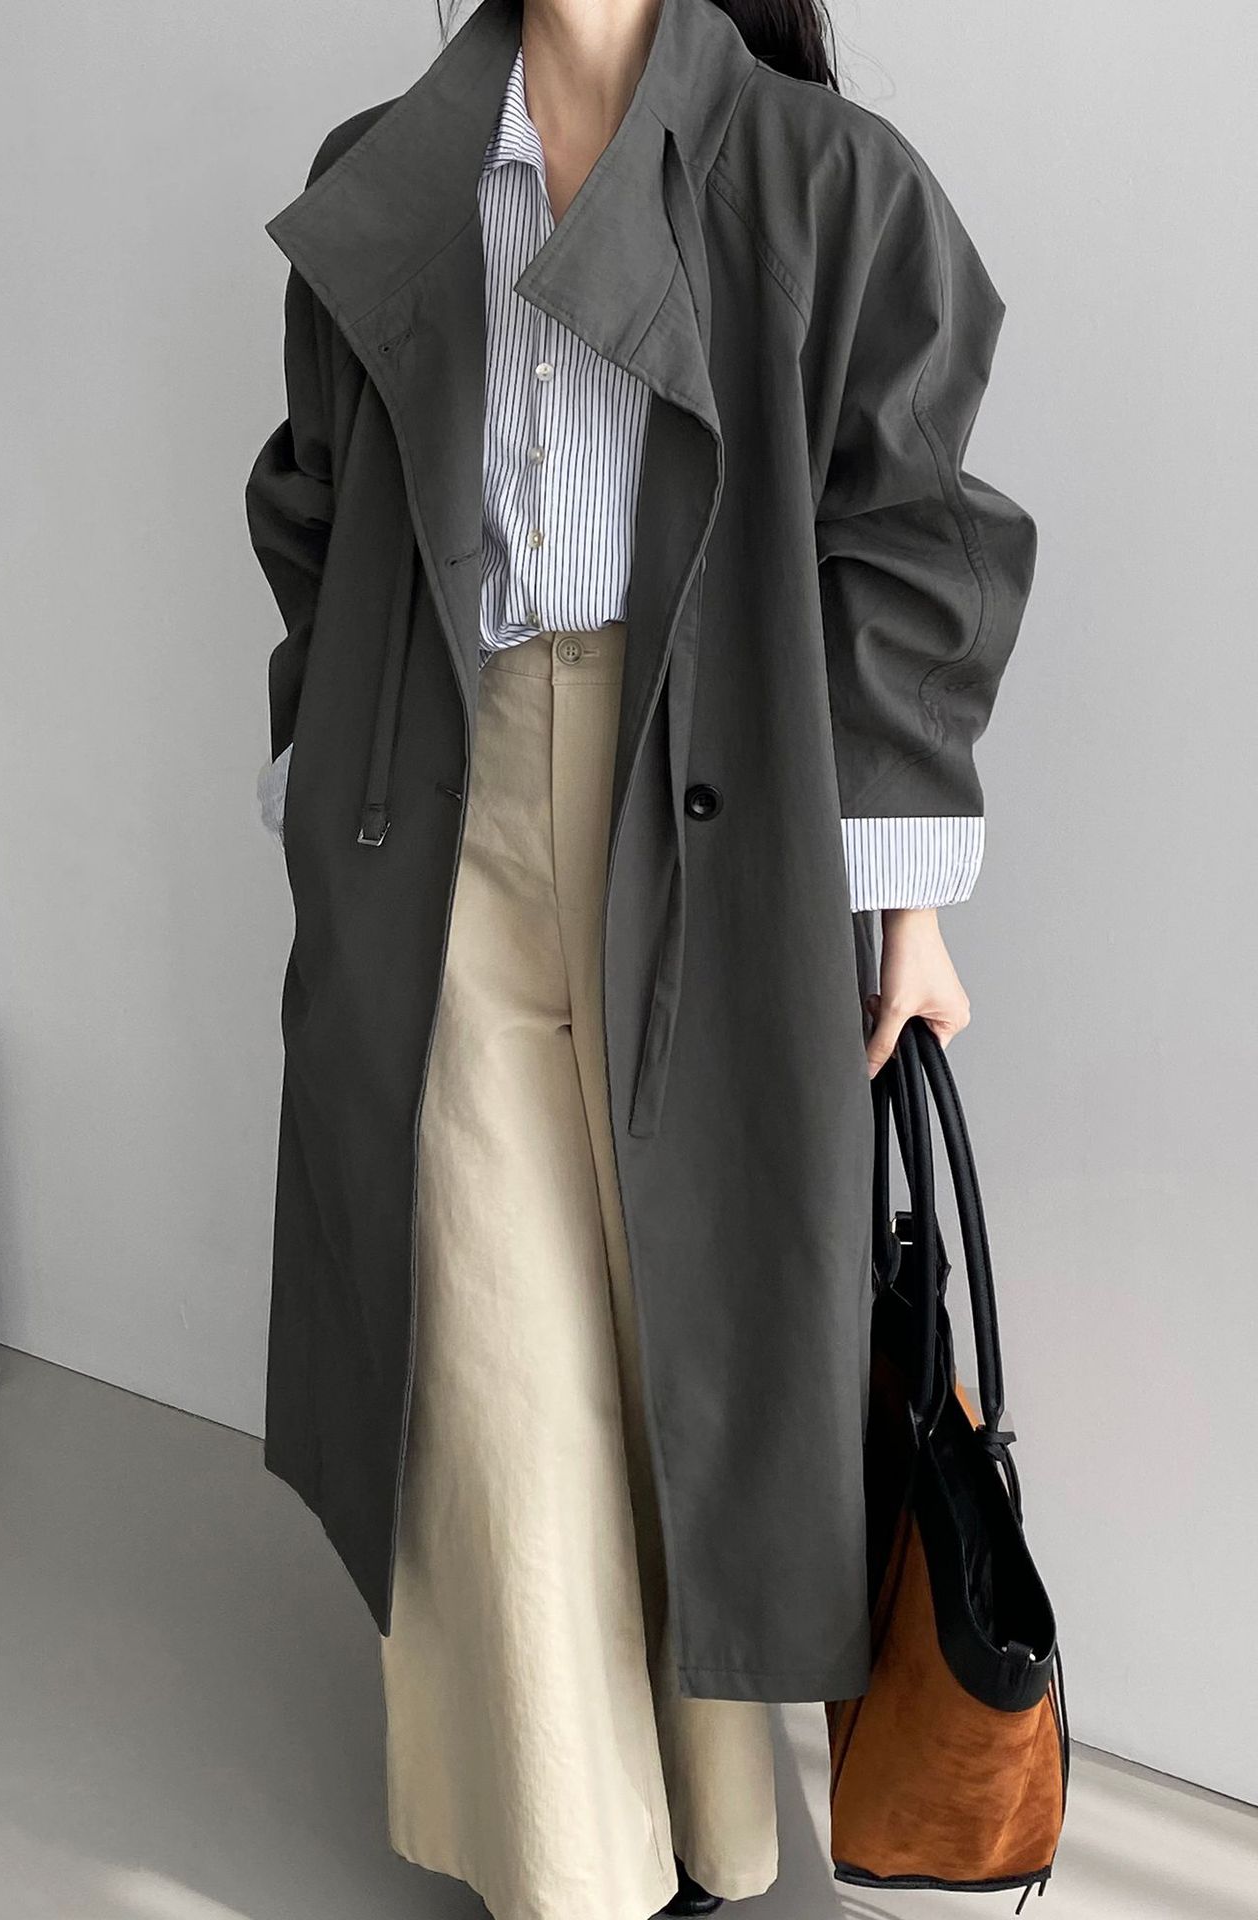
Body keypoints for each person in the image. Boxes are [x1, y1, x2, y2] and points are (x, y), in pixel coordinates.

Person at [245, 0, 1036, 1915]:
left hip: (719, 816)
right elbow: (314, 504)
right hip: (442, 808)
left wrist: (908, 906)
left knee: (684, 1330)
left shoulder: (822, 181)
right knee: (491, 1355)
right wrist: (320, 774)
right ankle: (573, 1866)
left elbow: (911, 542)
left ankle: (705, 1817)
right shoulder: (394, 170)